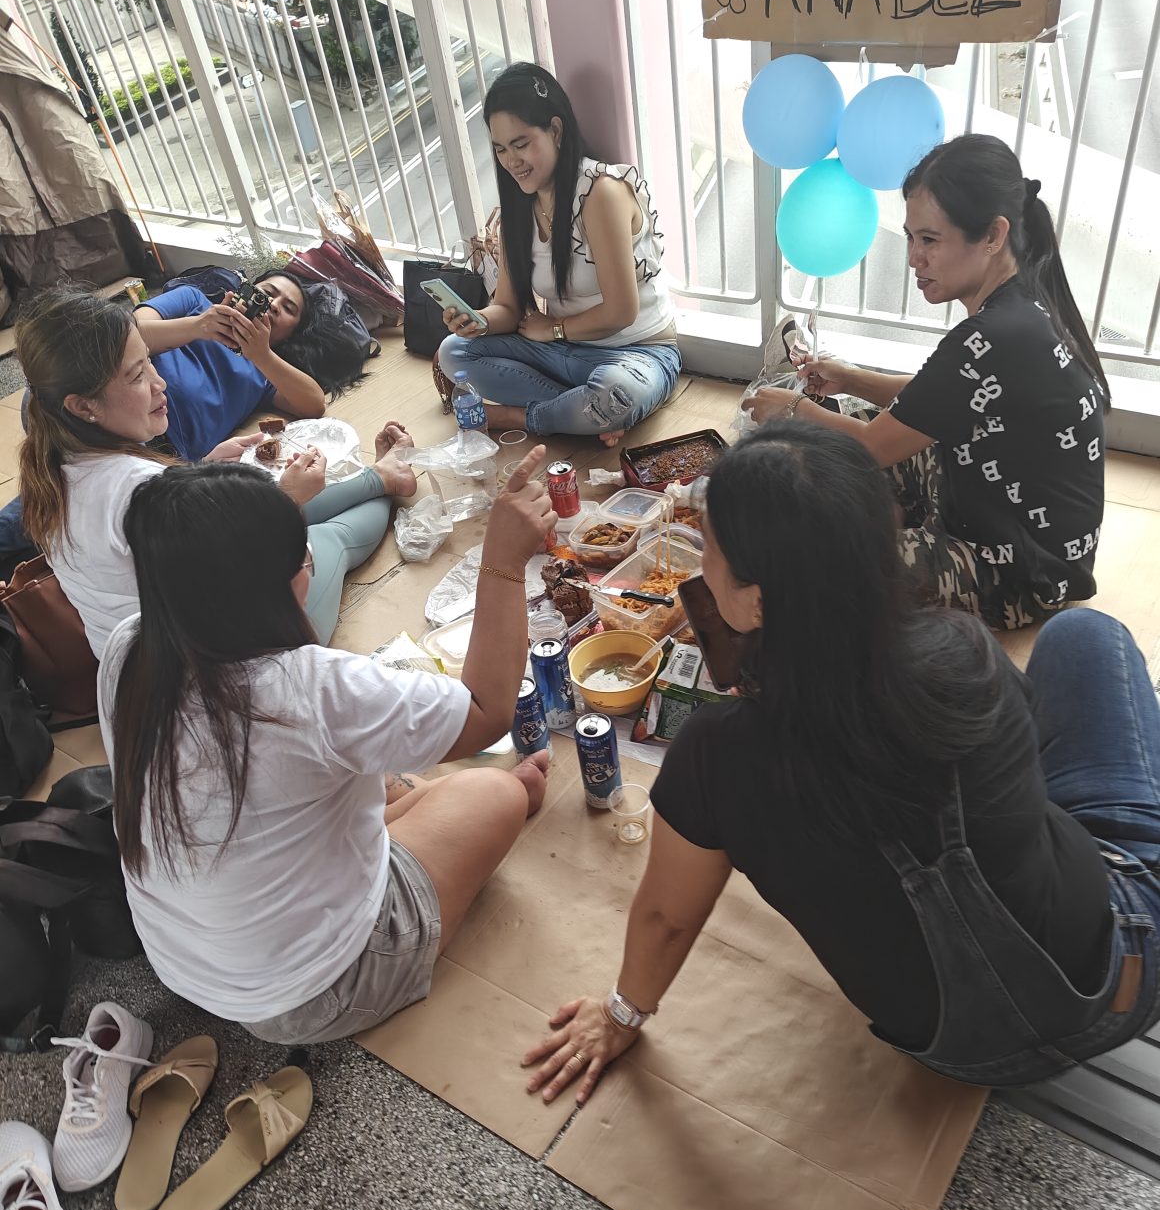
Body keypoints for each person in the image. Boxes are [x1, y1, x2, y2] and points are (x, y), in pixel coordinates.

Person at [522, 425, 1160, 1104]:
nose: (698, 565)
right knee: (1083, 634)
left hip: (948, 1048)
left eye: (708, 550)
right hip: (1118, 979)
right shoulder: (964, 650)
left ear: (760, 599)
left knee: (1080, 640)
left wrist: (621, 1016)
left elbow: (666, 919)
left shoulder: (717, 754)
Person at [99, 449, 556, 1043]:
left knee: (380, 780)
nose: (311, 561)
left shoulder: (129, 648)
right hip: (315, 991)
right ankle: (459, 809)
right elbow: (486, 710)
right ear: (274, 584)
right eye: (304, 554)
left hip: (188, 963)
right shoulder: (310, 688)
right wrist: (503, 561)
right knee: (495, 791)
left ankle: (409, 810)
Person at [742, 135, 1110, 631]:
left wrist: (790, 409)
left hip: (1021, 572)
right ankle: (887, 523)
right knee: (842, 431)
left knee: (820, 551)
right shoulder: (1022, 301)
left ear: (993, 236)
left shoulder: (992, 335)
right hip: (1009, 517)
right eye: (911, 237)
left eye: (930, 240)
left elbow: (872, 448)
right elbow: (941, 398)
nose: (914, 257)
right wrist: (848, 376)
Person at [16, 290, 414, 655]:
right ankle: (385, 479)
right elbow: (246, 561)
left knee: (271, 494)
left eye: (151, 362)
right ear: (84, 406)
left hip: (139, 677)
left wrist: (204, 469)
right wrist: (287, 500)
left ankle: (380, 475)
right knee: (324, 536)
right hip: (219, 677)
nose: (160, 383)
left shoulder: (55, 466)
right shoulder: (141, 489)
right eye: (137, 375)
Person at [437, 62, 681, 447]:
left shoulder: (601, 193)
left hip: (636, 354)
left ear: (555, 130)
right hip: (560, 353)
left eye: (520, 144)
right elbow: (507, 307)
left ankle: (522, 416)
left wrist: (553, 329)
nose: (511, 161)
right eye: (501, 149)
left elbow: (621, 312)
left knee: (616, 392)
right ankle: (583, 412)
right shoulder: (520, 202)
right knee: (453, 352)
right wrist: (477, 321)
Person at [133, 269, 349, 462]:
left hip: (167, 459)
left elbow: (314, 405)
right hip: (127, 414)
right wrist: (200, 326)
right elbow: (128, 336)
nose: (273, 305)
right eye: (267, 293)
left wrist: (261, 354)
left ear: (289, 335)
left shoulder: (264, 374)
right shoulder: (193, 300)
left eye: (288, 309)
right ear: (244, 290)